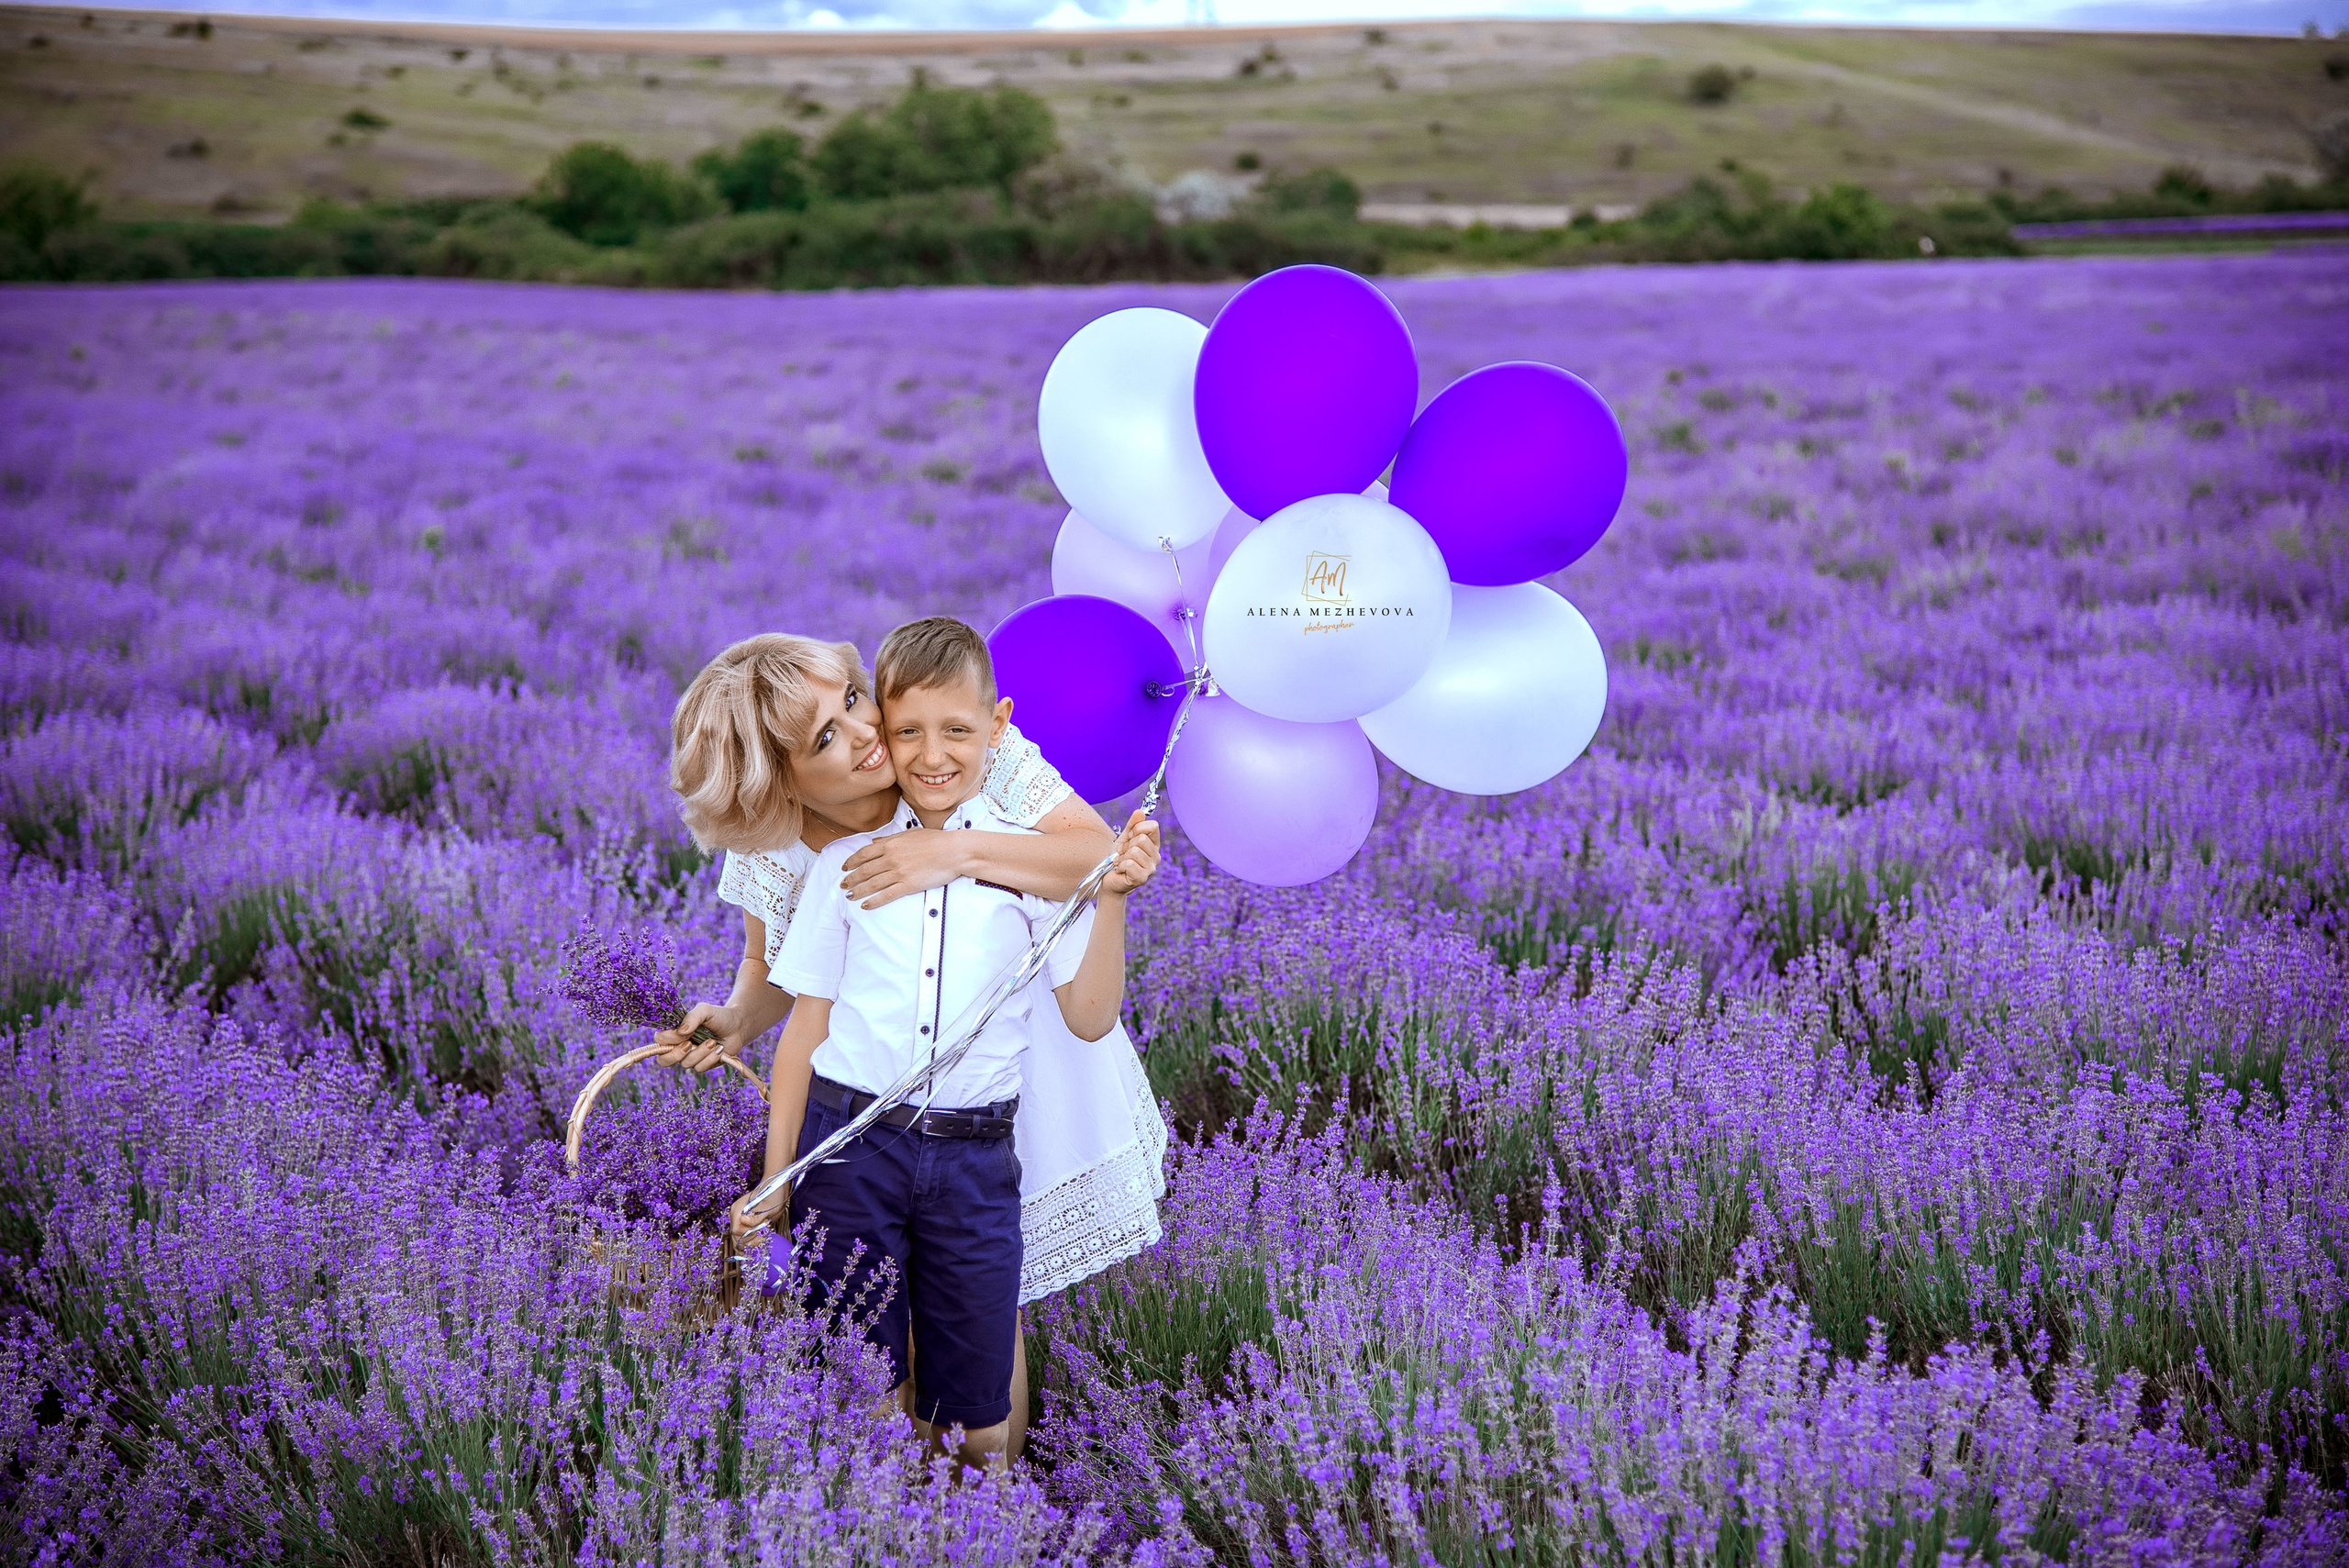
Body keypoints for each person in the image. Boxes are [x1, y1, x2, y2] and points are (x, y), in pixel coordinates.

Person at [653, 630, 1166, 1452]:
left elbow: (1091, 856)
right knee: (865, 1323)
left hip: (1010, 1044)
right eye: (826, 735)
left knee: (978, 1311)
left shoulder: (948, 742)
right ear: (779, 784)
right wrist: (740, 1018)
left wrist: (949, 850)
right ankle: (898, 1492)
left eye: (854, 698)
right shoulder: (785, 845)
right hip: (871, 1082)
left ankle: (982, 1486)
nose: (867, 732)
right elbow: (777, 965)